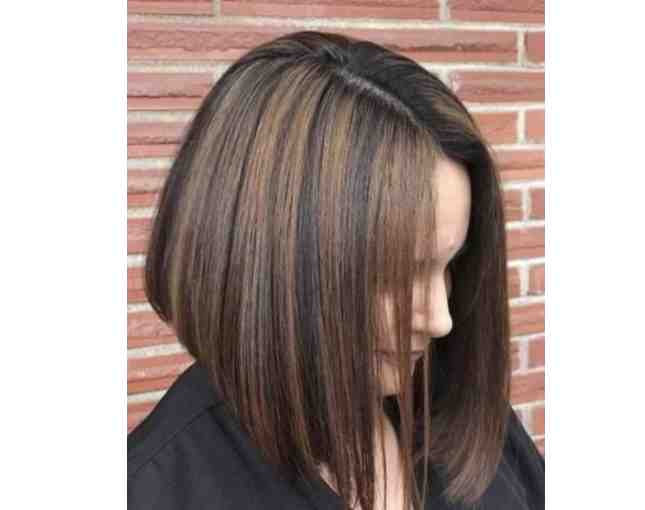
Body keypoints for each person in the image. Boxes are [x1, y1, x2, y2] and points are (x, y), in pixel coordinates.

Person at [127, 30, 545, 510]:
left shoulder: (462, 413)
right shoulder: (155, 489)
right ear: (270, 260)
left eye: (449, 265)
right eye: (393, 274)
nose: (439, 319)